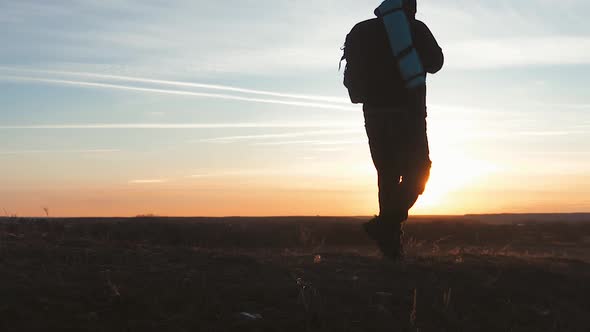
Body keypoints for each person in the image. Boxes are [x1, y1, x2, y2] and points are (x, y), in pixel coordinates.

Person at [344, 0, 443, 259]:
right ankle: (386, 224)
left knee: (387, 174)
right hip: (408, 111)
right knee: (419, 170)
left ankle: (391, 248)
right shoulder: (415, 28)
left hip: (373, 113)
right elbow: (436, 63)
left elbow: (351, 75)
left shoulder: (360, 30)